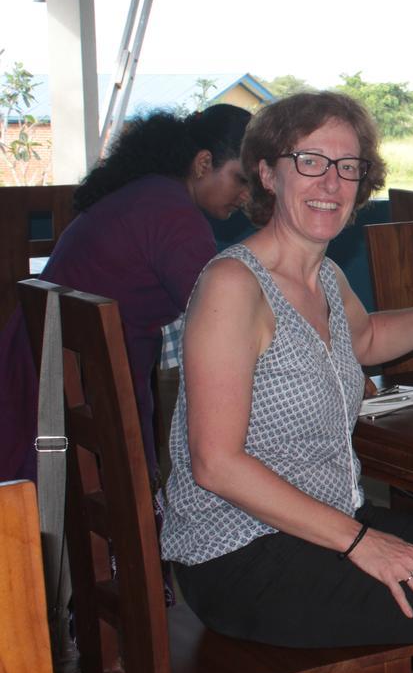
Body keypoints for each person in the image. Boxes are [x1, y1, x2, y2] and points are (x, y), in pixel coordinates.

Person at [161, 91, 413, 673]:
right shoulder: (232, 285)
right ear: (268, 172)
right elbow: (216, 464)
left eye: (348, 166)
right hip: (239, 555)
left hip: (324, 520)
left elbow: (367, 336)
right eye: (311, 160)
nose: (332, 181)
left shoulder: (323, 274)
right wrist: (360, 543)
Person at [0, 104, 251, 483]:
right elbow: (227, 319)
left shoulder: (149, 193)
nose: (246, 197)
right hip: (79, 396)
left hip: (48, 374)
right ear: (203, 163)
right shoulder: (173, 216)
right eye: (240, 180)